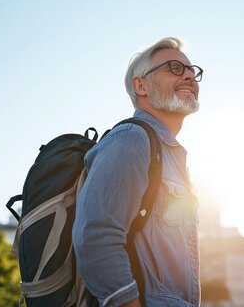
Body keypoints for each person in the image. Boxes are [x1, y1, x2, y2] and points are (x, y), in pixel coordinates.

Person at [73, 37, 202, 307]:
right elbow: (97, 237)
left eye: (192, 70)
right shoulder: (131, 138)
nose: (190, 76)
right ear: (141, 85)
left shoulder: (172, 156)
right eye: (175, 68)